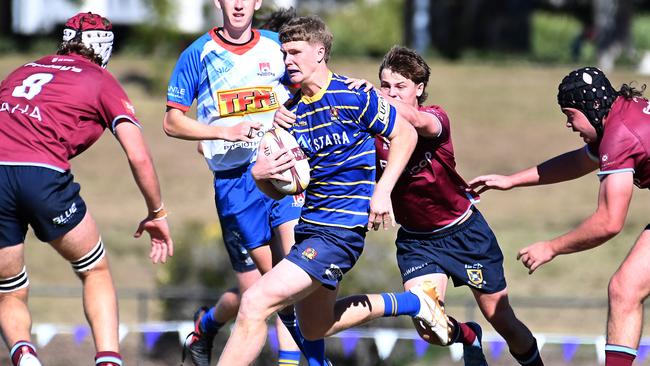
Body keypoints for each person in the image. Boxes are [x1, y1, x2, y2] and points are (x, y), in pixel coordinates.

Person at [215, 16, 468, 366]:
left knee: (255, 302)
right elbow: (280, 190)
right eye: (283, 54)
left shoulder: (353, 95)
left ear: (320, 53)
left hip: (339, 232)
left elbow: (406, 135)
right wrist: (260, 175)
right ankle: (415, 302)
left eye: (295, 53)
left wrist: (382, 192)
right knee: (315, 327)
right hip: (310, 229)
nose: (287, 61)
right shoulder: (290, 113)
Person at [345, 46, 544, 366]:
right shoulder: (375, 133)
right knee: (430, 328)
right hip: (417, 242)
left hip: (464, 233)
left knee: (502, 320)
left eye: (400, 87)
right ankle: (468, 336)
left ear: (419, 89)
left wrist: (374, 99)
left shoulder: (435, 118)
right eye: (385, 85)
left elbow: (415, 120)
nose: (391, 93)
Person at [0, 12, 173, 366]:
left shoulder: (22, 70)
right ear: (105, 48)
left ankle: (25, 355)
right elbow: (138, 156)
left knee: (9, 290)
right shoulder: (100, 78)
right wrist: (157, 213)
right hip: (41, 175)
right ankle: (108, 360)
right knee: (94, 270)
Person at [163, 2, 317, 366]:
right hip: (235, 185)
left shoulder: (277, 47)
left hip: (280, 172)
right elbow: (172, 122)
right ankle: (207, 323)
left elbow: (315, 80)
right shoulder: (197, 54)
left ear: (257, 2)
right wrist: (220, 132)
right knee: (260, 289)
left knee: (290, 277)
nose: (237, 3)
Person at [468, 66, 649, 366]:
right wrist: (512, 180)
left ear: (590, 106)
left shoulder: (620, 135)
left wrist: (550, 247)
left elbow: (609, 222)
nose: (568, 124)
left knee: (626, 289)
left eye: (570, 114)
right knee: (624, 289)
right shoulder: (622, 112)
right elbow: (579, 162)